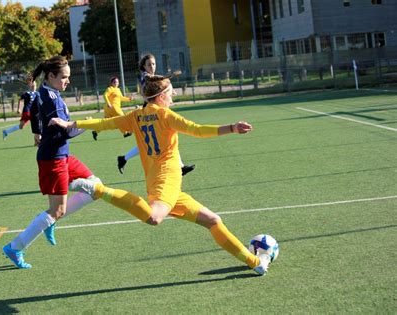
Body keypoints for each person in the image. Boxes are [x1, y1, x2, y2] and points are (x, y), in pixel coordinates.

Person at [49, 75, 273, 275]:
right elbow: (197, 130)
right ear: (161, 96)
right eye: (171, 91)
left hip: (161, 182)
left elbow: (104, 123)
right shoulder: (165, 115)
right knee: (154, 217)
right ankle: (99, 190)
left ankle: (256, 263)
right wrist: (232, 127)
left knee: (213, 221)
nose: (173, 94)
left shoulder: (136, 116)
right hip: (167, 180)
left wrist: (71, 123)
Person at [2, 56, 101, 269]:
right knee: (57, 210)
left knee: (96, 186)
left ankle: (52, 218)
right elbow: (66, 131)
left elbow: (37, 113)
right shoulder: (51, 98)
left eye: (68, 77)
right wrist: (92, 124)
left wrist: (37, 132)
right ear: (51, 76)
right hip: (53, 159)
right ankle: (15, 247)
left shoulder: (47, 92)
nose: (67, 81)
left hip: (61, 156)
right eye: (64, 77)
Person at [116, 53, 195, 176]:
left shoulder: (153, 77)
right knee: (154, 141)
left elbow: (159, 86)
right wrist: (167, 76)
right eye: (149, 64)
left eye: (153, 64)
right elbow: (151, 80)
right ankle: (180, 167)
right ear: (144, 66)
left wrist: (168, 90)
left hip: (154, 110)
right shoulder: (145, 76)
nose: (152, 66)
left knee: (157, 139)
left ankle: (181, 167)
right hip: (150, 111)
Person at [92, 76, 134, 141]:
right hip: (113, 107)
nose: (116, 83)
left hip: (109, 109)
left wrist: (129, 99)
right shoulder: (110, 88)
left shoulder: (118, 90)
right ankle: (125, 132)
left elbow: (121, 98)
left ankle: (95, 131)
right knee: (122, 118)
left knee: (105, 123)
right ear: (111, 83)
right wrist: (108, 103)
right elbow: (105, 95)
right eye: (114, 82)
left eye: (117, 82)